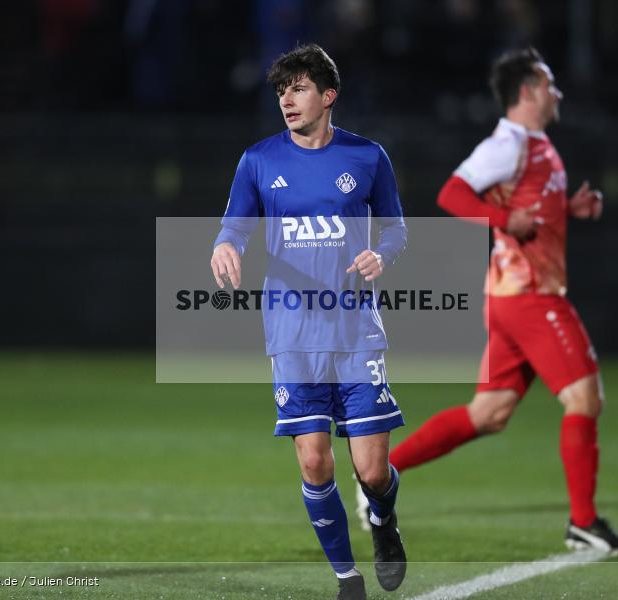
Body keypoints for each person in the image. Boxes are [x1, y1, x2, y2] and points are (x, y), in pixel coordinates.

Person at [358, 47, 618, 555]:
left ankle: (380, 476)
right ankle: (583, 522)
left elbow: (526, 207)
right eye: (549, 83)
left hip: (510, 299)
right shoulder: (508, 142)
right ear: (529, 90)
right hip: (531, 297)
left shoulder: (535, 144)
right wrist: (504, 222)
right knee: (584, 398)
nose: (556, 92)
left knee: (488, 412)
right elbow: (453, 193)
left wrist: (567, 209)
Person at [210, 44, 408, 599]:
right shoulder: (259, 161)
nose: (287, 100)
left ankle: (385, 525)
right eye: (281, 91)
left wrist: (382, 255)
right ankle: (347, 577)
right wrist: (224, 247)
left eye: (298, 89)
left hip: (355, 330)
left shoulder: (367, 158)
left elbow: (395, 229)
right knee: (315, 461)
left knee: (371, 471)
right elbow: (234, 227)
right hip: (292, 333)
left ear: (328, 95)